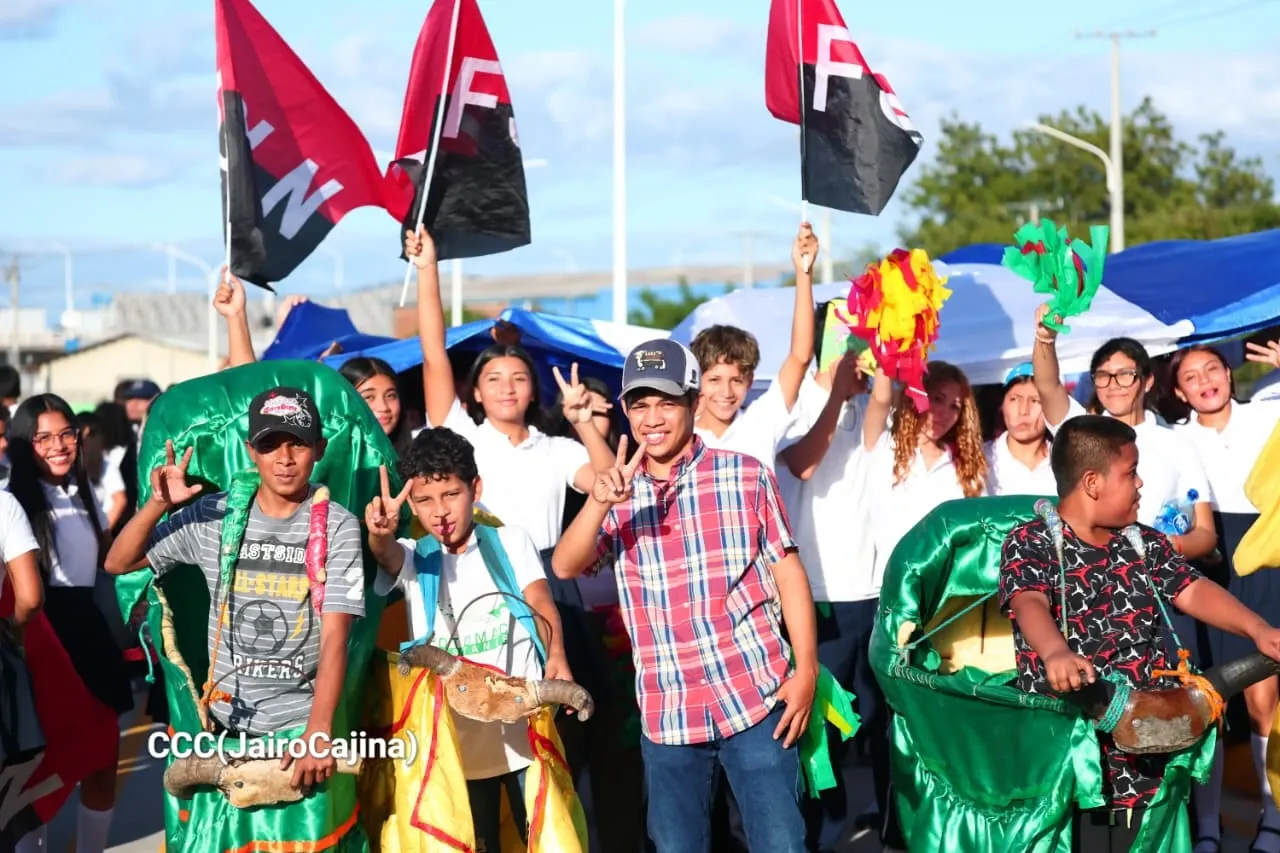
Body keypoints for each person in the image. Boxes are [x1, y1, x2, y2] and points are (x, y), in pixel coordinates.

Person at [551, 338, 819, 853]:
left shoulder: (744, 474)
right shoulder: (617, 492)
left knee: (780, 844)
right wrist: (600, 503)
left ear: (694, 404)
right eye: (640, 404)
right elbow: (566, 564)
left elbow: (789, 575)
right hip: (668, 707)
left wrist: (805, 670)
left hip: (756, 697)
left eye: (667, 402)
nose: (652, 417)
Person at [999, 414, 1280, 851]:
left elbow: (1192, 588)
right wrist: (1055, 653)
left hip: (1145, 750)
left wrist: (1257, 629)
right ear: (1092, 483)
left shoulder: (1139, 541)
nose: (1141, 484)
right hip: (1066, 761)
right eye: (1130, 473)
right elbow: (1027, 601)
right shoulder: (1030, 541)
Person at [104, 386, 364, 789]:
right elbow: (118, 562)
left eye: (297, 444)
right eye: (270, 444)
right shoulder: (215, 514)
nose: (284, 458)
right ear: (250, 451)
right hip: (225, 728)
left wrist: (318, 732)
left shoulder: (338, 524)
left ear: (319, 448)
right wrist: (157, 504)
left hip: (300, 726)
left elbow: (335, 636)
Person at [1031, 312, 1224, 848]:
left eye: (1123, 374)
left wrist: (1152, 552)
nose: (1112, 385)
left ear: (1145, 379)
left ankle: (1204, 831)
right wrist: (1044, 337)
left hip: (1158, 614)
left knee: (1180, 727)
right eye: (1102, 376)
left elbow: (1200, 553)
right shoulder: (1080, 438)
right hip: (1079, 692)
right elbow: (1027, 602)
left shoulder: (1176, 447)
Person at [365, 427, 568, 851]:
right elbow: (385, 553)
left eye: (451, 495)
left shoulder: (510, 541)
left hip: (522, 737)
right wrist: (380, 534)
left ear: (475, 488)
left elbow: (540, 602)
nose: (440, 511)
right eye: (424, 500)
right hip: (454, 751)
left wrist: (558, 658)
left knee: (542, 838)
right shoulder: (415, 556)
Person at [6, 394, 130, 853]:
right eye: (43, 438)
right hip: (42, 637)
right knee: (43, 768)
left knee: (103, 758)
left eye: (66, 434)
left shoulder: (87, 494)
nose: (58, 446)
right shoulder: (14, 502)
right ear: (24, 444)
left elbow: (109, 561)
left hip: (90, 632)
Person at [1169, 340, 1280, 853]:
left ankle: (1273, 818)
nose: (1205, 381)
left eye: (1212, 369)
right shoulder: (1174, 440)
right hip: (1207, 563)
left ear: (1230, 374)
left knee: (1264, 696)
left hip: (1261, 554)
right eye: (1191, 376)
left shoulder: (1265, 413)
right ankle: (1208, 831)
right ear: (1177, 390)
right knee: (1208, 698)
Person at [777, 347, 878, 852]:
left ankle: (887, 831)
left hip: (875, 586)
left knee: (878, 724)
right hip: (817, 592)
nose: (855, 356)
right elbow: (802, 464)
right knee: (822, 732)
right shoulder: (792, 404)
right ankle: (814, 836)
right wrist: (836, 390)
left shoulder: (877, 399)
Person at [687, 224, 818, 472]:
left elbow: (801, 356)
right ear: (697, 380)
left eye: (736, 380)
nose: (725, 392)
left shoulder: (760, 423)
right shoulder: (681, 435)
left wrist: (804, 272)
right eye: (714, 379)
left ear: (750, 380)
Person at [984, 363, 1055, 497]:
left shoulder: (1067, 462)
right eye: (1014, 399)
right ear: (1002, 405)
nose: (1023, 411)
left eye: (1035, 401)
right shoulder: (980, 461)